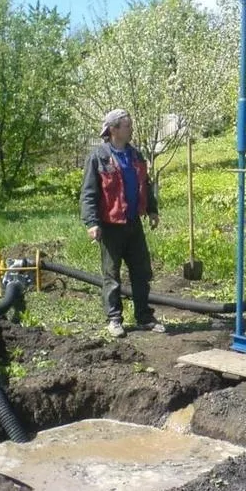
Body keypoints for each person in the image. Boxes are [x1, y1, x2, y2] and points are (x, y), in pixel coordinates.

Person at [80, 109, 165, 338]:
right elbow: (88, 194)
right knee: (112, 275)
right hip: (110, 226)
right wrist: (92, 222)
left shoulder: (135, 155)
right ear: (113, 129)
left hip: (133, 223)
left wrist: (152, 209)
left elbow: (145, 185)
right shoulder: (98, 157)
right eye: (127, 125)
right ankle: (114, 319)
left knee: (141, 271)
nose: (131, 129)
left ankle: (144, 317)